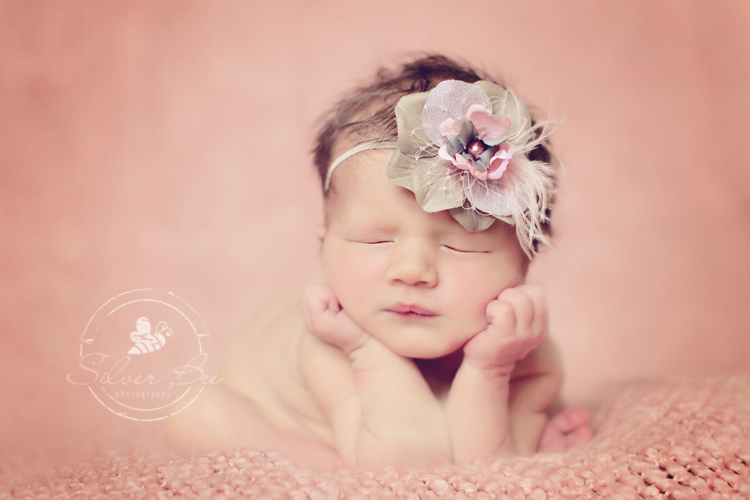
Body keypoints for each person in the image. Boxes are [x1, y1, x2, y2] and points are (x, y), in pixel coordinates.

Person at [167, 55, 593, 470]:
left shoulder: (525, 357)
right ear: (325, 246)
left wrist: (490, 370)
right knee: (194, 413)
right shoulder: (328, 344)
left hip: (401, 425)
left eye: (461, 248)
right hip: (274, 412)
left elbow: (485, 470)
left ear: (524, 266)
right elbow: (406, 464)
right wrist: (363, 348)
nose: (411, 271)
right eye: (374, 240)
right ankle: (314, 460)